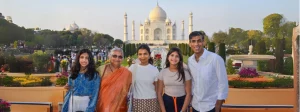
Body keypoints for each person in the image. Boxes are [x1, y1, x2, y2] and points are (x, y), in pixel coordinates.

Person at [187, 31, 228, 112]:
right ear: (190, 44)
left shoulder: (215, 59)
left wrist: (218, 106)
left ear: (204, 42)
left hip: (211, 106)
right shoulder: (190, 61)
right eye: (193, 41)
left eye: (199, 41)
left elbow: (223, 83)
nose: (196, 44)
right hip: (196, 106)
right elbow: (193, 82)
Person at [96, 47, 132, 112]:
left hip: (120, 107)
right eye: (114, 56)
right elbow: (95, 89)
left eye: (120, 57)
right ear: (109, 57)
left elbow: (128, 91)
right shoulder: (101, 70)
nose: (117, 59)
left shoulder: (127, 73)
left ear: (123, 59)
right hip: (103, 106)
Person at [157, 47, 192, 112]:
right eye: (172, 55)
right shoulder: (163, 72)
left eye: (177, 56)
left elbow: (188, 93)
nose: (174, 58)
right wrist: (163, 110)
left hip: (181, 102)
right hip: (167, 102)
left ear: (180, 59)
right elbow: (159, 93)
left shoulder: (185, 73)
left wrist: (183, 110)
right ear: (168, 57)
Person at [128, 44, 160, 112]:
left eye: (145, 54)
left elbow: (158, 89)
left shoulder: (154, 70)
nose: (142, 56)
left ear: (149, 55)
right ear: (137, 55)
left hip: (152, 101)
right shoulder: (133, 68)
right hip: (137, 101)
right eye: (140, 54)